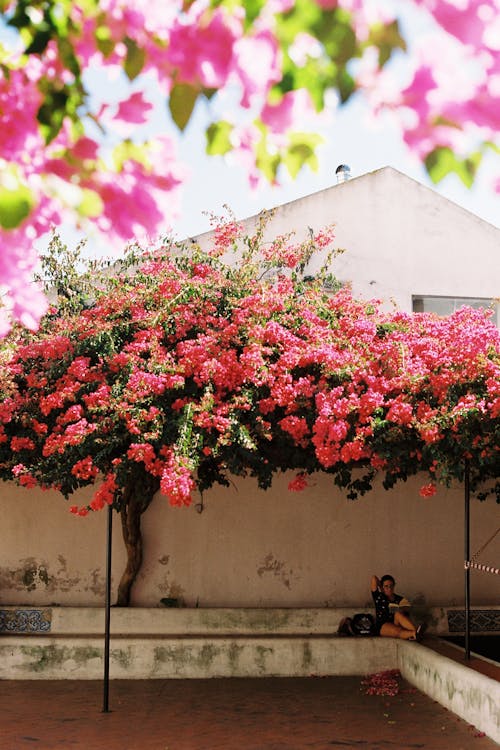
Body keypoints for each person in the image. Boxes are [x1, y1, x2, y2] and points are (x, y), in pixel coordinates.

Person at [371, 574, 425, 641]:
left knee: (398, 614)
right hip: (383, 625)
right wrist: (381, 587)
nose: (389, 588)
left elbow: (407, 609)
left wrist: (398, 609)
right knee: (398, 630)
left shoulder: (399, 599)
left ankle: (416, 632)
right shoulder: (378, 597)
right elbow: (374, 578)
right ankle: (414, 633)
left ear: (394, 586)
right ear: (382, 587)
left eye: (391, 586)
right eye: (386, 586)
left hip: (395, 622)